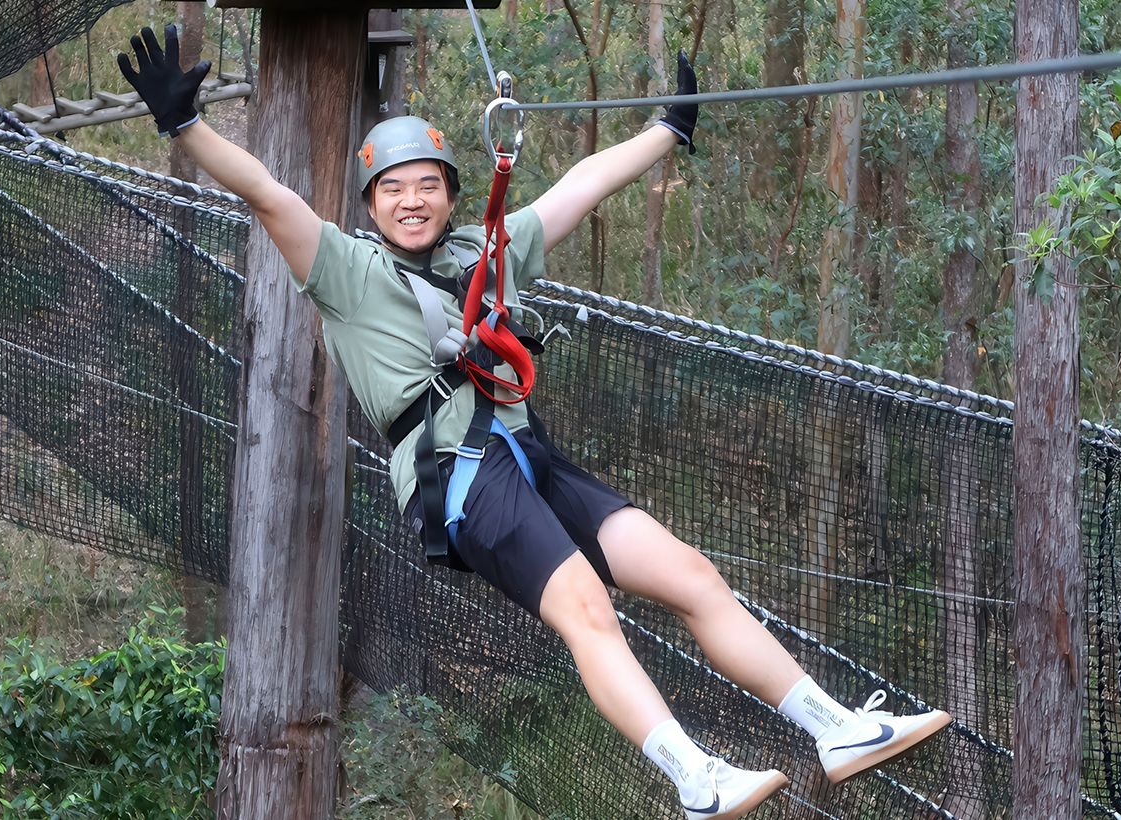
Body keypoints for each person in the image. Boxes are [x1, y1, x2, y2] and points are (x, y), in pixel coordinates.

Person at [119, 24, 950, 819]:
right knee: (587, 606)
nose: (411, 200)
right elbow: (267, 196)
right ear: (371, 204)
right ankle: (696, 780)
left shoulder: (492, 248)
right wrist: (184, 123)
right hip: (459, 478)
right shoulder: (344, 270)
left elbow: (585, 183)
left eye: (427, 184)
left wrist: (669, 127)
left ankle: (834, 729)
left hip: (530, 457)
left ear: (449, 191)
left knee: (690, 573)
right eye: (392, 189)